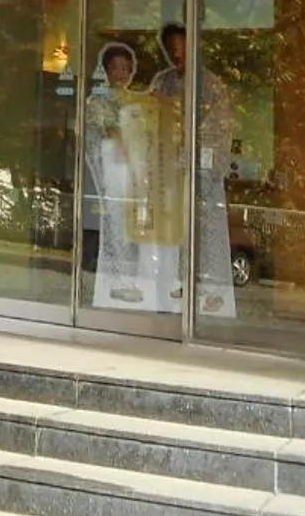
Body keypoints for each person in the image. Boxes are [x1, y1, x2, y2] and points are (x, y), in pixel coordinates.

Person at [148, 22, 237, 319]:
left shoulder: (211, 84)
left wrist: (191, 148)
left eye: (181, 47)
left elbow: (220, 127)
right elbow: (148, 117)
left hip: (201, 172)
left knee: (206, 233)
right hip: (169, 172)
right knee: (176, 232)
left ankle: (212, 295)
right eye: (171, 48)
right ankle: (177, 288)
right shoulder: (162, 80)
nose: (176, 53)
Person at [82, 41, 152, 309]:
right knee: (119, 223)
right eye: (115, 68)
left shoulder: (133, 99)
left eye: (126, 68)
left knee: (131, 224)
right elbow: (113, 133)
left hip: (132, 166)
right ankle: (119, 282)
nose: (121, 73)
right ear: (106, 70)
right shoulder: (100, 99)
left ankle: (127, 281)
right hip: (116, 166)